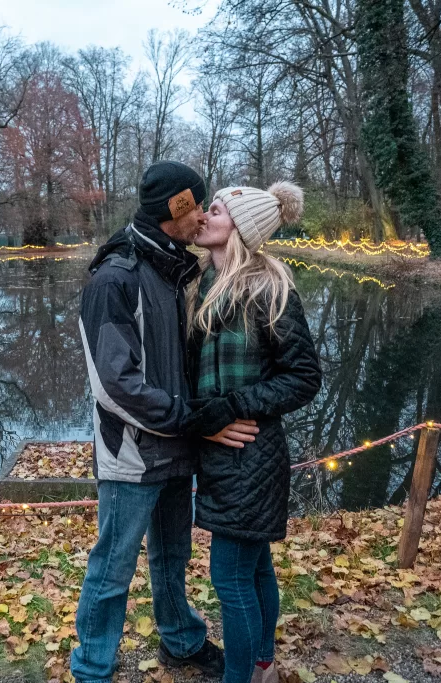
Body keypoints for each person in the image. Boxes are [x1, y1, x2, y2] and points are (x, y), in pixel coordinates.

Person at [73, 161, 260, 683]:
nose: (203, 215)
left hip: (177, 449)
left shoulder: (173, 271)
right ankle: (91, 671)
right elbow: (115, 386)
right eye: (196, 205)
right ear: (174, 211)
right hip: (132, 455)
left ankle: (180, 640)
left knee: (172, 559)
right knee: (112, 570)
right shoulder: (115, 279)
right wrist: (194, 422)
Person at [181, 182, 322, 683]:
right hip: (222, 454)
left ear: (239, 226)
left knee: (231, 576)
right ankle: (262, 661)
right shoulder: (202, 283)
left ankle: (239, 676)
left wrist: (235, 407)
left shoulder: (268, 288)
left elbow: (304, 377)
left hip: (254, 457)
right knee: (255, 565)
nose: (203, 216)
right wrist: (206, 422)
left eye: (214, 210)